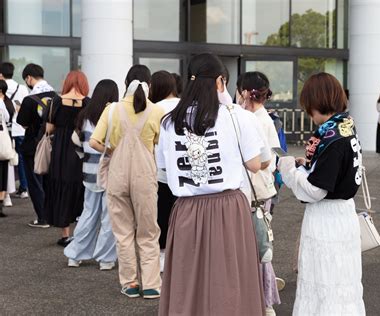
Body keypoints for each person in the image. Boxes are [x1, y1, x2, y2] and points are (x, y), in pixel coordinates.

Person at [157, 53, 266, 316]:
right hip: (227, 208)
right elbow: (255, 163)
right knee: (228, 281)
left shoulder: (170, 122)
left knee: (188, 283)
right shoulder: (237, 117)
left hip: (186, 209)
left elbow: (162, 165)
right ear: (220, 81)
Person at [278, 73, 365, 315]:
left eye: (309, 107)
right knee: (342, 286)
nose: (309, 114)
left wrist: (289, 171)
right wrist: (305, 167)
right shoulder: (346, 127)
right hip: (344, 215)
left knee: (324, 284)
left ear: (317, 103)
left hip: (327, 220)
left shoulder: (331, 138)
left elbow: (315, 190)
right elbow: (330, 173)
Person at [90, 65, 164, 299]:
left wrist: (110, 149)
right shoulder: (156, 111)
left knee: (123, 233)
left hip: (117, 176)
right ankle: (151, 284)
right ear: (149, 85)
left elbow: (94, 142)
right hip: (145, 177)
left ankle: (130, 283)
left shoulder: (111, 110)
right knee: (149, 232)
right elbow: (161, 143)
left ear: (126, 83)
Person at [237, 71, 281, 316]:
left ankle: (264, 300)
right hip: (263, 190)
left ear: (244, 92)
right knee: (261, 247)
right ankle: (263, 297)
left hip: (254, 192)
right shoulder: (266, 118)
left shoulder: (252, 119)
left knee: (258, 248)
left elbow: (264, 161)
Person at [64, 79, 119, 269]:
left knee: (88, 214)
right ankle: (106, 259)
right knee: (109, 216)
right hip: (111, 172)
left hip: (89, 173)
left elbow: (75, 143)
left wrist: (87, 159)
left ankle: (75, 255)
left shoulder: (83, 117)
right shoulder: (114, 115)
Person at [44, 70, 89, 247]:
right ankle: (81, 232)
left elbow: (49, 129)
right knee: (79, 188)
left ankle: (65, 235)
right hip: (79, 150)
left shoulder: (56, 102)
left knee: (61, 186)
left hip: (61, 152)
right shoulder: (87, 103)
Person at [16, 63, 57, 228]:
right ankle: (52, 214)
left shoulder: (29, 100)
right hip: (52, 144)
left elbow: (23, 123)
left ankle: (42, 218)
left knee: (34, 181)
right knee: (49, 181)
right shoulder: (56, 96)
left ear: (28, 78)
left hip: (32, 146)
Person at [149, 70, 179, 272]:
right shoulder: (184, 104)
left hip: (161, 172)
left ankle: (162, 259)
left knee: (162, 215)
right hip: (184, 171)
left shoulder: (153, 108)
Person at [0, 62, 30, 207]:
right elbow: (26, 106)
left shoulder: (1, 88)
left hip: (5, 131)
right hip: (20, 128)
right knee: (20, 159)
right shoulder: (22, 88)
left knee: (6, 161)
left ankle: (6, 192)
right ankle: (24, 188)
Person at [0, 80, 16, 217]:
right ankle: (2, 203)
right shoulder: (5, 103)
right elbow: (6, 117)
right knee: (3, 172)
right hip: (3, 140)